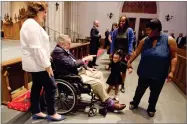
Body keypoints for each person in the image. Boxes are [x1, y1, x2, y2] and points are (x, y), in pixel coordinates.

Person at [51, 34, 126, 111]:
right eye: (69, 43)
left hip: (79, 71)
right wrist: (85, 59)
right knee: (97, 82)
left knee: (99, 74)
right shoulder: (58, 51)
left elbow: (75, 61)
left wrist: (87, 68)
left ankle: (103, 97)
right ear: (62, 43)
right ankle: (109, 103)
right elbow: (72, 64)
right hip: (72, 76)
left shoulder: (64, 50)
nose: (70, 45)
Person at [20, 2, 65, 121]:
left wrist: (47, 57)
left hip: (37, 63)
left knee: (37, 86)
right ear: (38, 11)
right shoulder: (31, 25)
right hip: (38, 65)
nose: (45, 15)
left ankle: (36, 111)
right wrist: (47, 65)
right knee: (51, 86)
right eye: (45, 12)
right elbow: (36, 49)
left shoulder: (32, 24)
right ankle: (52, 113)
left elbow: (39, 47)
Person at [127, 18, 178, 117]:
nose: (146, 32)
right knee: (140, 89)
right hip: (144, 72)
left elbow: (174, 57)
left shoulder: (169, 40)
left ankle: (151, 107)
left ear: (156, 29)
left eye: (148, 30)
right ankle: (135, 102)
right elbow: (136, 52)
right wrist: (129, 61)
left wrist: (172, 71)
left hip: (159, 74)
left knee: (155, 92)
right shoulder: (144, 40)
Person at [110, 15, 134, 93]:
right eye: (120, 21)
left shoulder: (129, 30)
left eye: (123, 21)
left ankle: (122, 84)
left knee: (123, 70)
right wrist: (111, 52)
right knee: (115, 69)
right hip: (116, 53)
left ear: (126, 22)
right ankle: (115, 83)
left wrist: (129, 52)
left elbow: (131, 42)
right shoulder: (115, 31)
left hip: (125, 53)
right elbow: (113, 42)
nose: (121, 22)